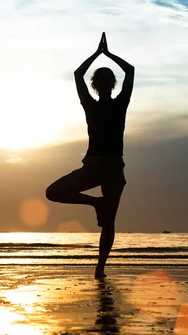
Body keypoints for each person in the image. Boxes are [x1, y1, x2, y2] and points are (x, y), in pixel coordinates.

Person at [46, 32, 134, 278]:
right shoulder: (90, 105)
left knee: (109, 222)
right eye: (102, 81)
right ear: (97, 85)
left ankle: (99, 270)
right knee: (53, 192)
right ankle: (96, 203)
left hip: (113, 167)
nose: (105, 84)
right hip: (95, 166)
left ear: (111, 85)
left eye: (108, 81)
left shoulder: (120, 103)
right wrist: (100, 54)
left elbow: (130, 71)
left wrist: (105, 54)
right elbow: (78, 75)